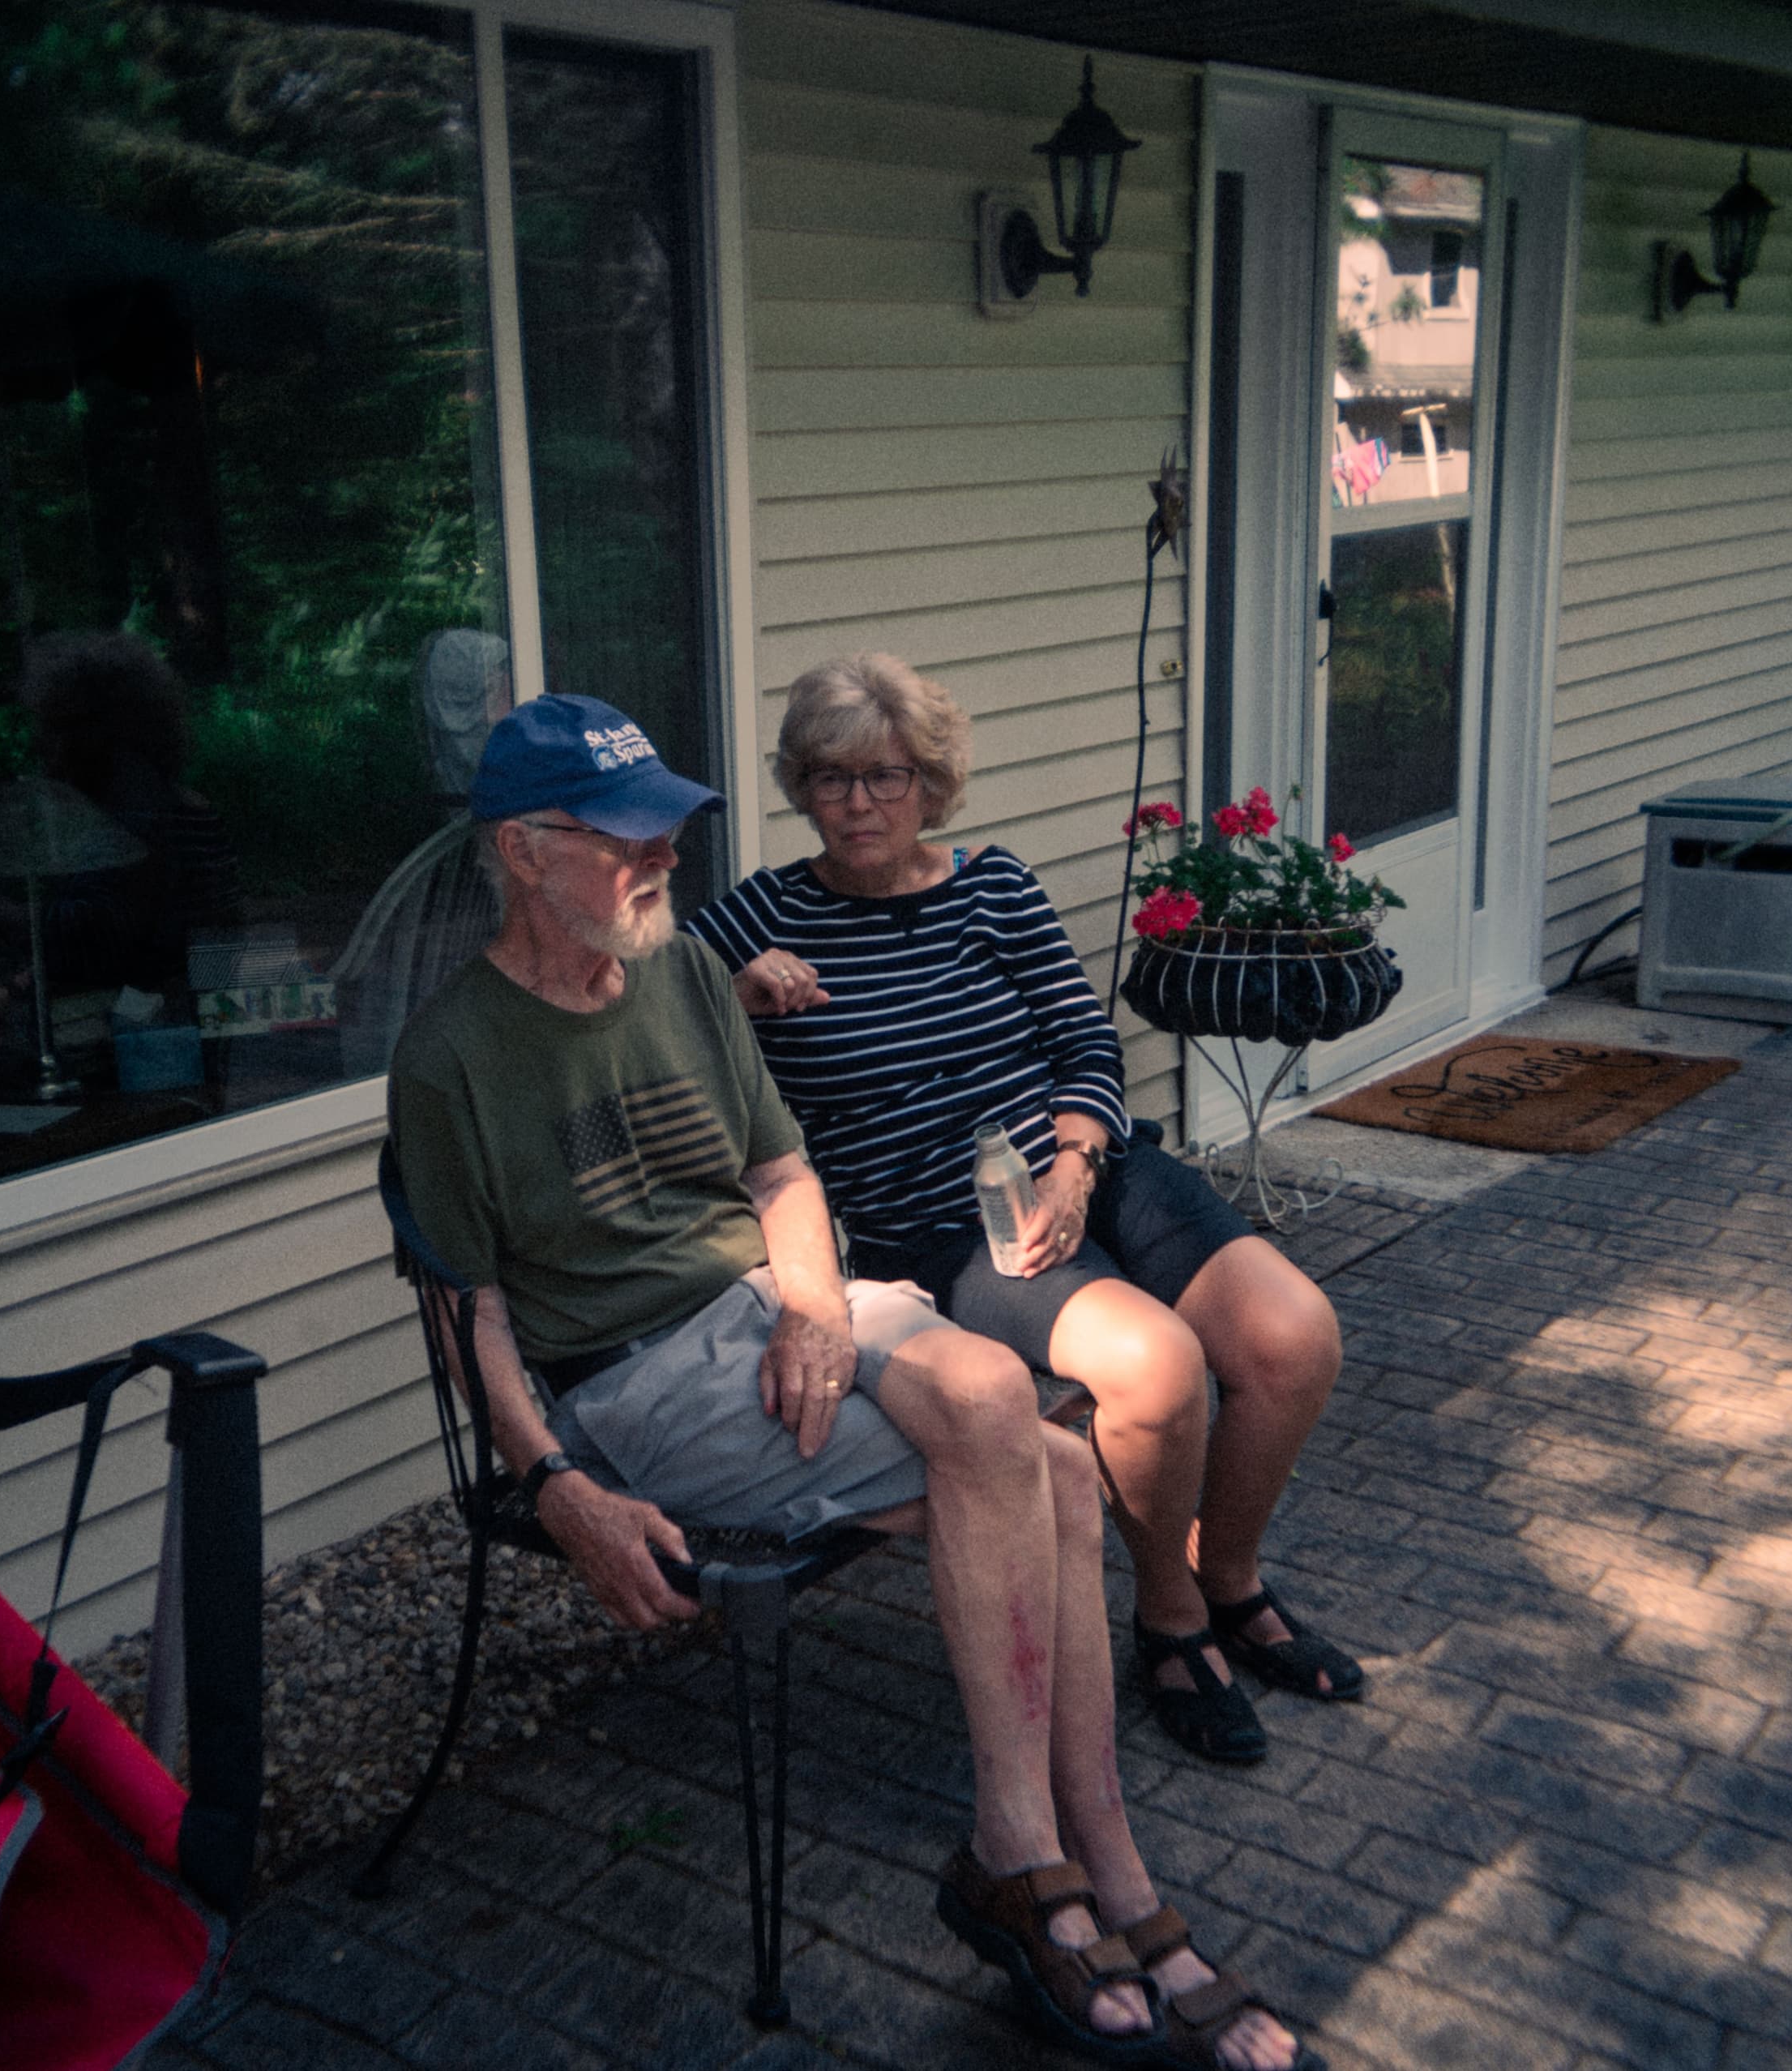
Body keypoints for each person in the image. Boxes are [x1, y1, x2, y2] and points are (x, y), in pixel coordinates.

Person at [388, 692, 1313, 2071]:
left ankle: (1032, 1855)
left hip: (774, 1303)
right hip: (629, 1373)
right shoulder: (454, 1053)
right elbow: (470, 1316)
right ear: (525, 851)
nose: (664, 863)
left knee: (1025, 1431)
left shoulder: (684, 977)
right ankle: (1090, 1871)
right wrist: (561, 1490)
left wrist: (816, 1305)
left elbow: (778, 1173)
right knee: (1047, 1457)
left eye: (671, 835)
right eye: (627, 840)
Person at [686, 655, 1356, 1769]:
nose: (860, 804)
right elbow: (644, 1014)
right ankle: (1169, 1617)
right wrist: (733, 995)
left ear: (930, 783)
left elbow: (1084, 1041)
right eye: (834, 778)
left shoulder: (994, 884)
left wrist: (1077, 1165)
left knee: (1293, 1336)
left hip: (1085, 1164)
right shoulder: (753, 920)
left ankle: (1228, 1580)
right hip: (940, 1227)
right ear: (801, 786)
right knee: (1158, 1369)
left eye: (888, 777)